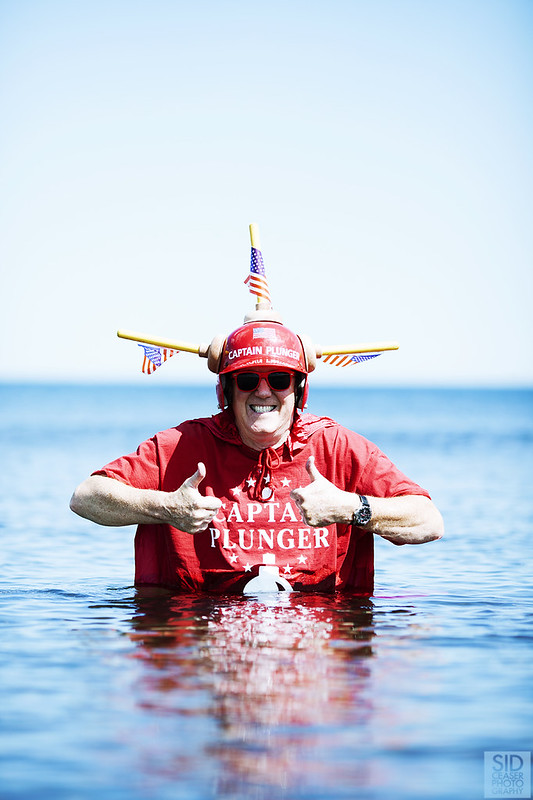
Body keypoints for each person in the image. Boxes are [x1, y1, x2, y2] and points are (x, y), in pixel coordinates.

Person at [70, 317, 444, 595]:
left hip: (319, 646)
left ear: (299, 390)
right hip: (197, 641)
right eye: (248, 380)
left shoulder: (338, 447)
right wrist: (166, 508)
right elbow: (86, 498)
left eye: (279, 379)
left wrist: (349, 508)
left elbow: (428, 521)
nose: (263, 392)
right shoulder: (180, 446)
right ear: (226, 391)